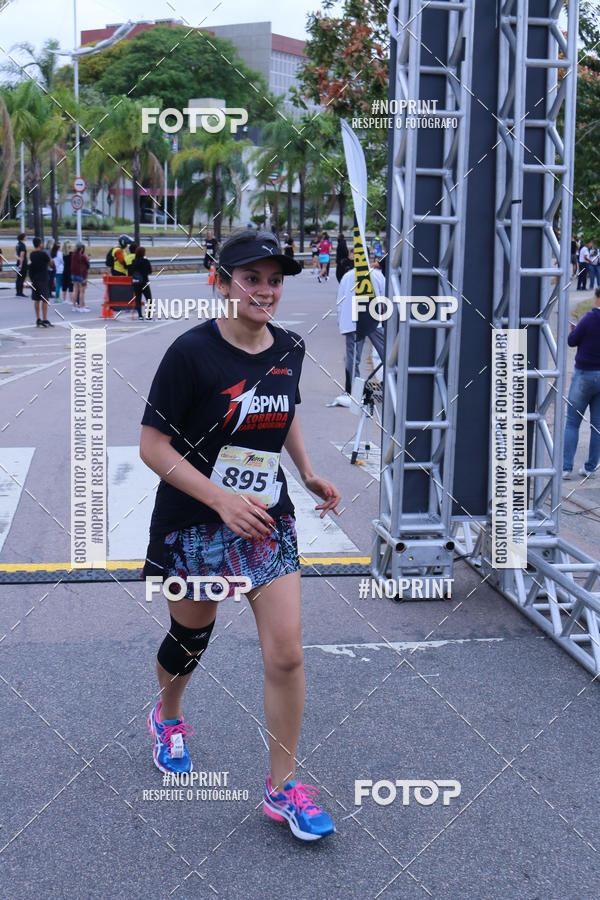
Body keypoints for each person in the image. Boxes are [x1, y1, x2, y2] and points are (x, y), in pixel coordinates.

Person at [139, 228, 340, 842]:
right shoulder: (190, 353)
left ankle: (284, 787)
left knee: (287, 653)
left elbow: (285, 410)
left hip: (265, 521)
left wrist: (306, 471)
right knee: (190, 639)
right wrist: (219, 499)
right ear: (222, 283)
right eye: (251, 278)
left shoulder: (291, 346)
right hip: (195, 522)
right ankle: (169, 716)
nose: (265, 291)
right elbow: (153, 446)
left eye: (274, 281)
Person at [330, 257, 386, 407]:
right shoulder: (377, 275)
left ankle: (353, 391)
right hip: (373, 320)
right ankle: (393, 384)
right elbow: (385, 299)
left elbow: (340, 300)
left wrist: (341, 320)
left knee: (353, 358)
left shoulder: (347, 276)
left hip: (352, 321)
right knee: (387, 353)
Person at [563, 288, 600, 479]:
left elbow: (571, 341)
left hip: (584, 373)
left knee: (572, 422)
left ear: (597, 298)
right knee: (597, 426)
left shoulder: (589, 318)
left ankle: (566, 467)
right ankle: (590, 467)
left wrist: (574, 330)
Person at [28, 236, 53, 327]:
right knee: (45, 299)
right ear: (40, 244)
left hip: (34, 279)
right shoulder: (43, 254)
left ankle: (38, 319)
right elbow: (51, 263)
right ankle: (45, 318)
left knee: (36, 299)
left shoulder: (32, 254)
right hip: (43, 278)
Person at [130, 246, 153, 319]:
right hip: (144, 282)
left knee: (138, 299)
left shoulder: (133, 261)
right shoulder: (145, 261)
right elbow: (149, 271)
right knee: (149, 299)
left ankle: (140, 315)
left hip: (136, 282)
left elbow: (131, 272)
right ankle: (149, 315)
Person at [71, 242, 90, 311]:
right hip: (82, 275)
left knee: (76, 290)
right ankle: (82, 306)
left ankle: (74, 306)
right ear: (81, 249)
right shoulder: (82, 256)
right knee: (82, 291)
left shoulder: (73, 255)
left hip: (74, 274)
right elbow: (88, 265)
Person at [15, 232, 27, 297]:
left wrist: (18, 260)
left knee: (18, 278)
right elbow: (22, 254)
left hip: (18, 263)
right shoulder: (22, 245)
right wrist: (21, 263)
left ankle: (17, 292)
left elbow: (15, 254)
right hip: (22, 264)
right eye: (25, 236)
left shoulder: (17, 244)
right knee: (22, 278)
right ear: (23, 238)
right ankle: (20, 292)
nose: (26, 237)